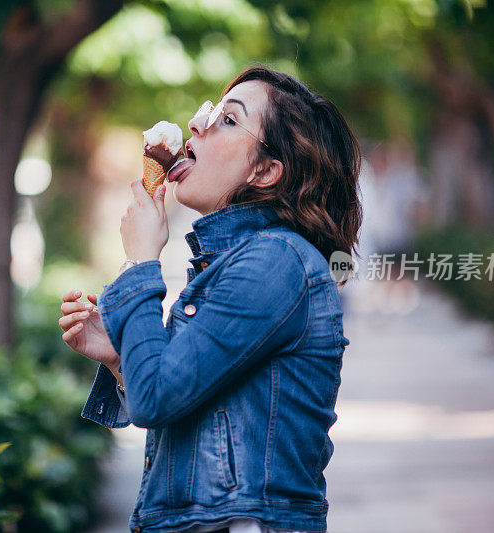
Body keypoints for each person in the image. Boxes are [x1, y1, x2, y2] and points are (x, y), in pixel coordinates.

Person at [59, 65, 361, 533]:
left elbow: (156, 399)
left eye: (229, 120)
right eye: (210, 112)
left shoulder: (276, 262)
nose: (197, 124)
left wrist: (141, 261)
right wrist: (122, 360)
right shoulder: (235, 264)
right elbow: (181, 399)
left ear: (266, 170)